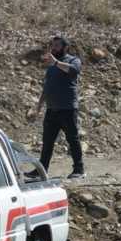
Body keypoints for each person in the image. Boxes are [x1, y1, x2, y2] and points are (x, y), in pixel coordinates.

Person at [27, 35, 85, 179]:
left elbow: (73, 71)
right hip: (52, 109)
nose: (54, 48)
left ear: (65, 48)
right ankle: (41, 170)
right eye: (53, 45)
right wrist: (39, 106)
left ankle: (79, 169)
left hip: (67, 109)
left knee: (72, 139)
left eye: (57, 46)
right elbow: (47, 87)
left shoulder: (73, 60)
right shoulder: (51, 65)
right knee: (47, 141)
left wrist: (56, 62)